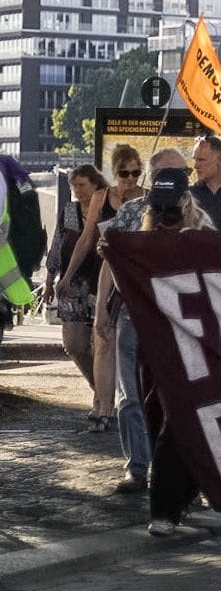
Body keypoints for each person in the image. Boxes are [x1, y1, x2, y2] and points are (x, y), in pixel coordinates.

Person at [92, 148, 194, 497]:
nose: (177, 180)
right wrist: (101, 311)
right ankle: (137, 467)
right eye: (170, 173)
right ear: (153, 175)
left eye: (182, 173)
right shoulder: (132, 211)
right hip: (132, 315)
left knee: (176, 394)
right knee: (129, 393)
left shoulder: (196, 215)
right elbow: (109, 260)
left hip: (178, 320)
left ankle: (178, 471)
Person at [62, 144, 143, 434]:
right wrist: (66, 275)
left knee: (121, 343)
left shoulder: (145, 200)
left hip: (131, 279)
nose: (130, 179)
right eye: (125, 173)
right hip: (103, 273)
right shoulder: (101, 197)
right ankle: (104, 406)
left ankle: (116, 402)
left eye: (136, 172)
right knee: (101, 340)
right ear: (114, 171)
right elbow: (86, 239)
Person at [49, 164, 107, 414]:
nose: (78, 191)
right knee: (73, 344)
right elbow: (57, 242)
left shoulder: (106, 208)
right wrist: (50, 278)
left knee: (99, 344)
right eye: (74, 186)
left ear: (95, 184)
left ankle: (103, 401)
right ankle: (101, 389)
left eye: (82, 185)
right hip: (72, 283)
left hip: (100, 280)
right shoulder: (69, 211)